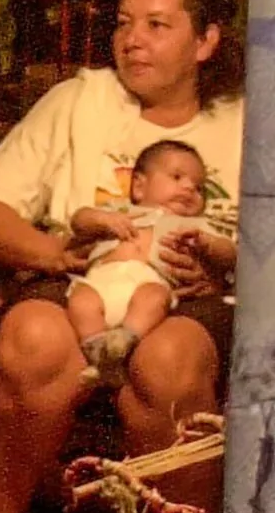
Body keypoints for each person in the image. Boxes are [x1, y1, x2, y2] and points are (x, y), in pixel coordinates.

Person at [0, 0, 244, 513]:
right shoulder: (79, 103)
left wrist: (223, 260)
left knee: (169, 359)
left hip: (193, 301)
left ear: (206, 41)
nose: (132, 40)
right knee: (29, 336)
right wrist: (55, 256)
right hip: (82, 285)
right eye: (124, 23)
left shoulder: (248, 126)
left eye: (157, 24)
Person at [63, 137, 236, 387]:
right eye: (177, 177)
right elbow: (79, 220)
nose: (189, 188)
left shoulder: (193, 226)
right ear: (139, 187)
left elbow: (229, 252)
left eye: (199, 188)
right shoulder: (118, 211)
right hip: (100, 280)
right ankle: (97, 351)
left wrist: (208, 243)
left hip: (149, 281)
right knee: (81, 300)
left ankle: (126, 338)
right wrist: (102, 220)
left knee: (154, 297)